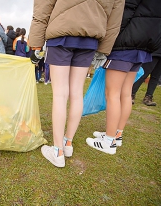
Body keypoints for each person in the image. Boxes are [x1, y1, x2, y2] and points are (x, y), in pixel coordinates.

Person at [29, 0, 125, 167]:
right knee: (76, 92)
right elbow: (115, 18)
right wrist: (104, 49)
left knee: (60, 94)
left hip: (61, 32)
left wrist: (36, 41)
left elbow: (43, 7)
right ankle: (67, 144)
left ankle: (58, 151)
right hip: (91, 37)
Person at [87, 0, 161, 155]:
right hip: (144, 44)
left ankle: (108, 141)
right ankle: (116, 134)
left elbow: (124, 12)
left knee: (112, 93)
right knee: (125, 93)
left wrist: (109, 41)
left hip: (125, 43)